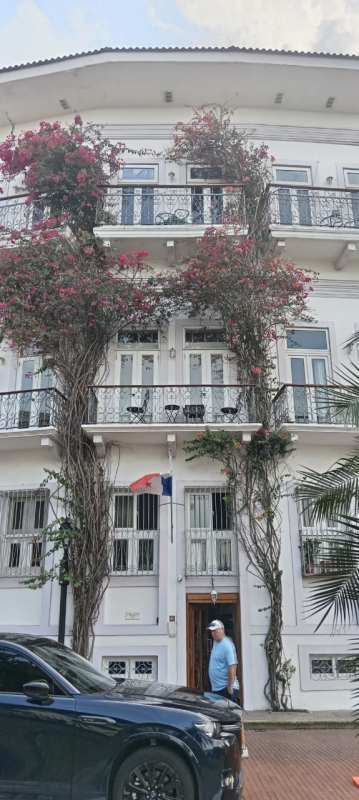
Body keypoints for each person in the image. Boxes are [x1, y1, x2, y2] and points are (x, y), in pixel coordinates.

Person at [207, 619, 240, 702]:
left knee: (228, 714)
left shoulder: (227, 645)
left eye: (215, 631)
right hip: (217, 688)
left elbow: (232, 666)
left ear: (222, 630)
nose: (213, 633)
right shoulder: (216, 642)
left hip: (225, 689)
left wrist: (229, 687)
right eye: (212, 631)